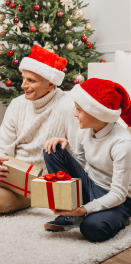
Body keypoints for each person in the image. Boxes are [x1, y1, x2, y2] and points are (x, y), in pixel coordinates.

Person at [0, 45, 79, 214]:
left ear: (50, 84)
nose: (23, 85)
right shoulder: (18, 104)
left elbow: (78, 156)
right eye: (24, 78)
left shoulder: (68, 106)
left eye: (31, 81)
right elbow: (1, 147)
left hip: (36, 180)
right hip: (10, 164)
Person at [43, 78, 131, 242]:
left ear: (96, 112)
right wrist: (65, 145)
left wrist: (84, 210)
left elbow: (119, 193)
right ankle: (74, 209)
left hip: (120, 198)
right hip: (92, 185)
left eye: (79, 110)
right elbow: (80, 163)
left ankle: (119, 217)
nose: (75, 114)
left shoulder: (122, 144)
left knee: (92, 229)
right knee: (52, 149)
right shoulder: (84, 131)